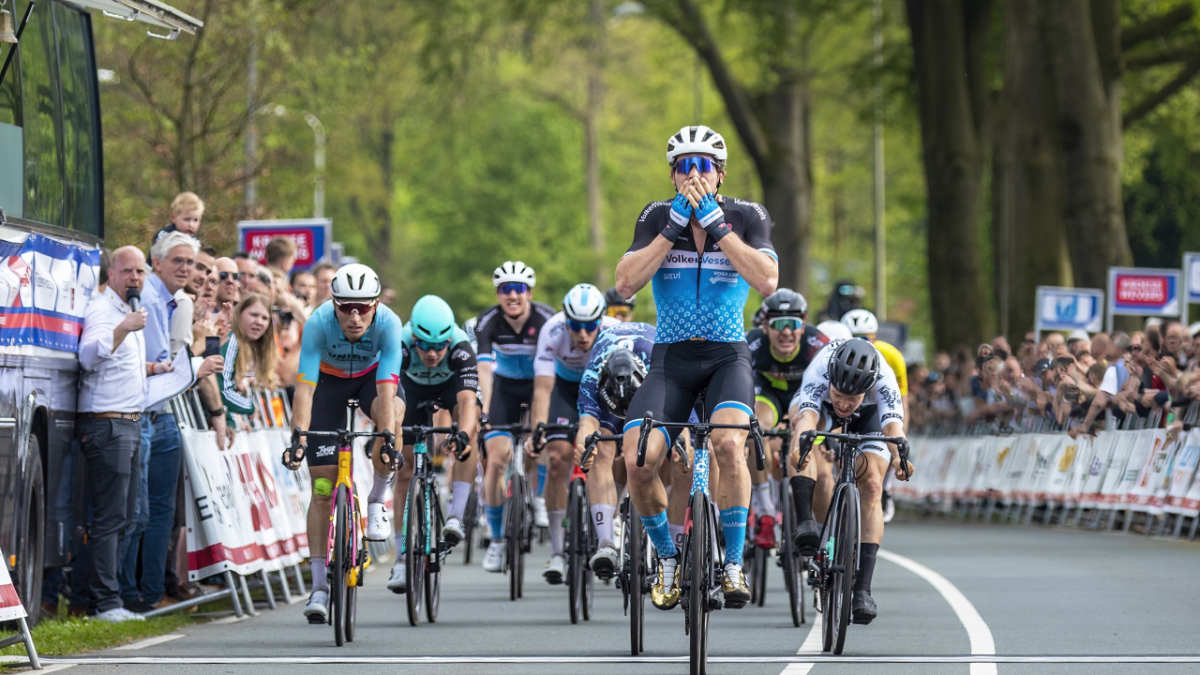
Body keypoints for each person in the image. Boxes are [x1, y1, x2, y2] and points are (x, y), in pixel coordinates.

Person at [616, 125, 778, 609]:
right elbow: (625, 285)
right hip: (671, 359)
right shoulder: (656, 216)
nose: (693, 173)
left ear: (721, 173)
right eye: (684, 165)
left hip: (727, 356)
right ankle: (666, 557)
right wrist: (671, 231)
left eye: (703, 165)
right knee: (637, 461)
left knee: (730, 445)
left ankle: (732, 562)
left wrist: (717, 225)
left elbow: (767, 281)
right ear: (671, 175)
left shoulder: (747, 216)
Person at [283, 263, 406, 622]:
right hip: (329, 385)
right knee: (322, 489)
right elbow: (304, 388)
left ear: (376, 305)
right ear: (333, 303)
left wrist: (387, 437)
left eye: (364, 307)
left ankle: (377, 499)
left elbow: (386, 387)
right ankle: (319, 587)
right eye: (346, 307)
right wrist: (298, 438)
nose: (354, 316)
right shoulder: (318, 323)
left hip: (372, 379)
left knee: (392, 419)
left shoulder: (389, 324)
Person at [124, 232, 221, 613]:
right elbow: (154, 366)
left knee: (158, 509)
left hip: (162, 413)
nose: (187, 268)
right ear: (157, 262)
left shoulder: (171, 300)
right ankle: (130, 593)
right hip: (145, 412)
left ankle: (149, 591)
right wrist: (196, 363)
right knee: (141, 510)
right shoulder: (149, 299)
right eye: (178, 261)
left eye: (192, 263)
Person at [788, 338, 912, 625]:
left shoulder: (884, 380)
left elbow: (894, 427)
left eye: (851, 398)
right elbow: (807, 416)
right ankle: (806, 522)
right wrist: (802, 446)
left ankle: (862, 590)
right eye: (840, 394)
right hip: (822, 413)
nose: (844, 403)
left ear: (867, 389)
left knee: (871, 484)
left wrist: (899, 458)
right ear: (831, 378)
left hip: (868, 418)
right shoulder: (820, 368)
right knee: (801, 435)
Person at [76, 247, 151, 623]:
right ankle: (103, 603)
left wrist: (154, 367)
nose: (135, 278)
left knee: (126, 514)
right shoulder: (103, 311)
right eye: (128, 271)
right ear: (111, 273)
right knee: (109, 517)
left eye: (140, 271)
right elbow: (88, 357)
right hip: (108, 425)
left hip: (130, 423)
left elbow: (118, 367)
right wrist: (123, 329)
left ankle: (106, 599)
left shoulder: (128, 313)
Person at [387, 295, 480, 593]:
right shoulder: (399, 344)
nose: (431, 353)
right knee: (403, 473)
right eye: (424, 345)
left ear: (449, 339)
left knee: (471, 433)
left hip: (449, 387)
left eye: (439, 346)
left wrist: (462, 435)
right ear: (414, 337)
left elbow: (467, 402)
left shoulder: (461, 347)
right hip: (410, 390)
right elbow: (386, 397)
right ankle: (401, 559)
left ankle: (455, 516)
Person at [529, 283, 617, 583]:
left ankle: (612, 525)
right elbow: (542, 388)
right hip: (566, 391)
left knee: (609, 453)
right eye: (576, 326)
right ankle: (557, 551)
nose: (582, 334)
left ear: (601, 321)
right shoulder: (551, 331)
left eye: (590, 326)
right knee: (556, 458)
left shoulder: (615, 331)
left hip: (605, 391)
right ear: (566, 321)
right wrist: (538, 428)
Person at [474, 261, 556, 573]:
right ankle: (496, 539)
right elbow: (483, 369)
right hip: (504, 391)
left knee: (543, 440)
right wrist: (485, 408)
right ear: (497, 294)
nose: (512, 295)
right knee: (496, 460)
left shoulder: (546, 318)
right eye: (505, 289)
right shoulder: (488, 321)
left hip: (539, 386)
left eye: (518, 289)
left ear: (529, 293)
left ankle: (538, 497)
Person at [745, 289, 827, 548]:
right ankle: (766, 511)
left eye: (793, 324)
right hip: (766, 394)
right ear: (765, 326)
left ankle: (822, 534)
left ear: (803, 326)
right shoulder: (752, 342)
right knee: (753, 428)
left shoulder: (818, 343)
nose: (786, 332)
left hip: (802, 393)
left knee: (801, 431)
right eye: (779, 324)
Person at [574, 321, 656, 578]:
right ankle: (606, 543)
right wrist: (583, 447)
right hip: (609, 393)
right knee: (598, 451)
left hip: (648, 394)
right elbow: (587, 422)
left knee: (658, 453)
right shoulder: (591, 377)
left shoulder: (657, 366)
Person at [841, 309, 907, 522]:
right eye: (852, 338)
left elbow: (900, 402)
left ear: (875, 338)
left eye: (864, 338)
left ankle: (885, 488)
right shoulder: (832, 353)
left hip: (873, 409)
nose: (859, 342)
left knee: (891, 444)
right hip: (842, 408)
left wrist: (900, 438)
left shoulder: (892, 357)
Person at [210, 293, 279, 446]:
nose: (259, 322)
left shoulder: (244, 346)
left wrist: (231, 420)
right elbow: (221, 389)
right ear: (238, 314)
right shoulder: (230, 340)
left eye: (264, 318)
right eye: (253, 315)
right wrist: (250, 407)